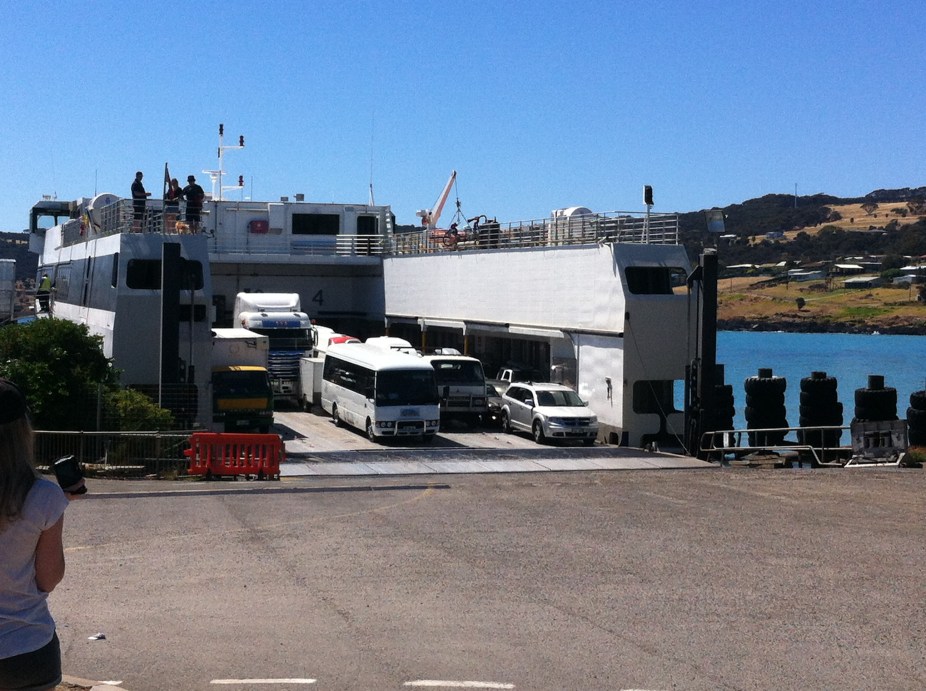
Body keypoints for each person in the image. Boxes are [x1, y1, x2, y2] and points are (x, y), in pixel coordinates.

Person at [0, 378, 83, 690]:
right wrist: (56, 506)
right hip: (26, 651)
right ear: (23, 429)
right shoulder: (44, 497)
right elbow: (48, 579)